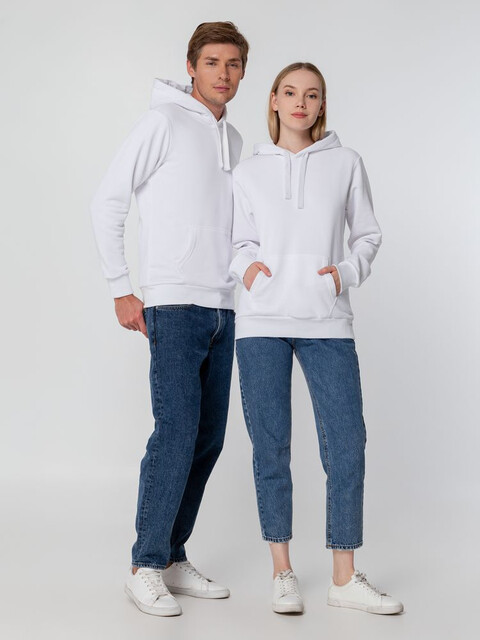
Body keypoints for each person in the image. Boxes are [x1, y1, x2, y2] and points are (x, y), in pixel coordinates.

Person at [229, 62, 404, 615]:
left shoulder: (345, 162)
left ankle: (343, 576)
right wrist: (249, 270)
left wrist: (344, 274)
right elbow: (236, 240)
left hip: (327, 320)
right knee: (271, 446)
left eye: (311, 94)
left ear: (322, 104)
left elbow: (368, 234)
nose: (300, 102)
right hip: (261, 323)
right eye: (289, 92)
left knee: (346, 444)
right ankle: (282, 571)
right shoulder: (248, 170)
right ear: (274, 101)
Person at [90, 21, 249, 617]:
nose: (223, 74)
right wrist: (121, 288)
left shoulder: (233, 139)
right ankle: (146, 563)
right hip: (174, 304)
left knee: (208, 438)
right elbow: (108, 199)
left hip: (223, 306)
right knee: (176, 432)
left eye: (233, 64)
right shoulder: (162, 122)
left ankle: (174, 554)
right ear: (191, 67)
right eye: (212, 62)